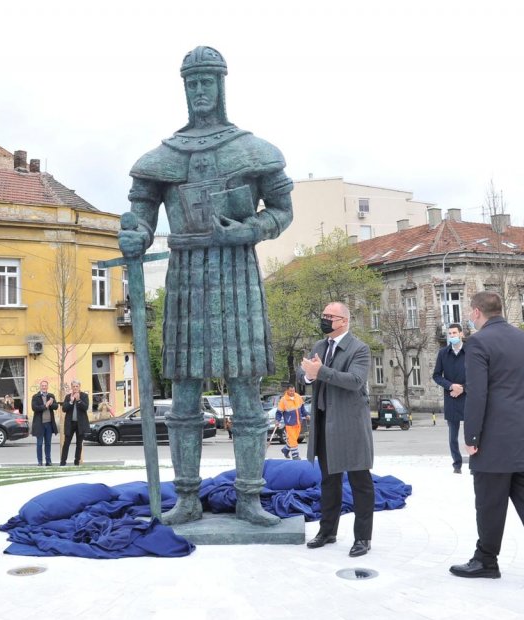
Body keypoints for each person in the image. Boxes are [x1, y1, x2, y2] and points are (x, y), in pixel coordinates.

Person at [118, 46, 294, 526]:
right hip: (186, 277)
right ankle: (188, 497)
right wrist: (134, 234)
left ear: (220, 85)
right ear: (185, 87)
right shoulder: (163, 157)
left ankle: (250, 497)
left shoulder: (252, 149)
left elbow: (282, 210)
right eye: (192, 83)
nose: (200, 91)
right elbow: (140, 215)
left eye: (206, 82)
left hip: (237, 273)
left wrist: (250, 229)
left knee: (245, 391)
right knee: (184, 395)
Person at [449, 292, 524, 592]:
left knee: (489, 502)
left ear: (477, 312)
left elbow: (478, 393)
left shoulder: (479, 343)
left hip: (494, 439)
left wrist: (471, 436)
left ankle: (486, 561)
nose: (469, 317)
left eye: (470, 312)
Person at [301, 302, 375, 558]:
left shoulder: (359, 348)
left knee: (360, 482)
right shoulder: (319, 346)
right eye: (323, 315)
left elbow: (355, 381)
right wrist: (309, 375)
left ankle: (363, 537)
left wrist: (320, 371)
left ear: (343, 321)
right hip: (324, 422)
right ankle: (327, 531)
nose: (324, 319)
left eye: (329, 316)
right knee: (329, 481)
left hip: (350, 424)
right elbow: (307, 375)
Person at [432, 323, 467, 473]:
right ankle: (457, 465)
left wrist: (463, 388)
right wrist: (451, 386)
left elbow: (477, 374)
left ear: (461, 334)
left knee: (471, 434)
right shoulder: (443, 353)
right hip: (451, 398)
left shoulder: (471, 352)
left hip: (468, 398)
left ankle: (475, 464)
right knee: (453, 436)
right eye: (450, 333)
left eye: (454, 333)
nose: (452, 336)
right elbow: (436, 375)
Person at [60, 380, 90, 466]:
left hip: (80, 424)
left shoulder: (84, 396)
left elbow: (85, 408)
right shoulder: (68, 396)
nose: (75, 388)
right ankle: (63, 462)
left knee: (79, 444)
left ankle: (77, 462)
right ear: (71, 387)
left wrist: (79, 400)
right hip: (70, 423)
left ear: (79, 387)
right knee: (66, 443)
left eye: (77, 386)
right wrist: (70, 401)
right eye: (73, 386)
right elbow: (64, 409)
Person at [274, 385, 307, 460]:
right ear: (287, 391)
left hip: (298, 422)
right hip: (289, 424)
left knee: (294, 439)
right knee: (293, 440)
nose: (292, 392)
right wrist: (277, 420)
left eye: (293, 390)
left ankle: (285, 450)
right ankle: (295, 455)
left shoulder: (298, 396)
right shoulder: (283, 400)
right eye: (291, 391)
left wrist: (306, 414)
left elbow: (302, 408)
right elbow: (279, 412)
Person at [31, 381, 59, 466]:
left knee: (48, 444)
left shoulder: (51, 396)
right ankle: (40, 461)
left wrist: (51, 403)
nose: (44, 387)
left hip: (49, 424)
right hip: (40, 424)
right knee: (39, 444)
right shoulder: (35, 396)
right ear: (40, 387)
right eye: (42, 386)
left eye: (45, 386)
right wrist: (45, 405)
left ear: (47, 387)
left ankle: (48, 461)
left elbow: (56, 407)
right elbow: (34, 408)